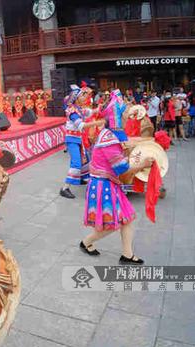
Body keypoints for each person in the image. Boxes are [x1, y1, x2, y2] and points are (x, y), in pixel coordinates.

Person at [79, 120, 155, 265]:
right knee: (114, 223)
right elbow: (123, 169)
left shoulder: (107, 134)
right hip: (104, 186)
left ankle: (127, 254)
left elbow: (116, 161)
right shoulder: (110, 141)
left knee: (127, 218)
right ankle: (86, 242)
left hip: (106, 183)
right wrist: (143, 164)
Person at [60, 84, 101, 199]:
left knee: (85, 160)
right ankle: (65, 188)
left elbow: (90, 112)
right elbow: (81, 125)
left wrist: (99, 108)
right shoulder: (72, 111)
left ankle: (83, 178)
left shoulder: (79, 109)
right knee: (76, 163)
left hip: (78, 139)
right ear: (76, 98)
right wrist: (98, 123)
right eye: (82, 95)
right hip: (72, 140)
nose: (85, 97)